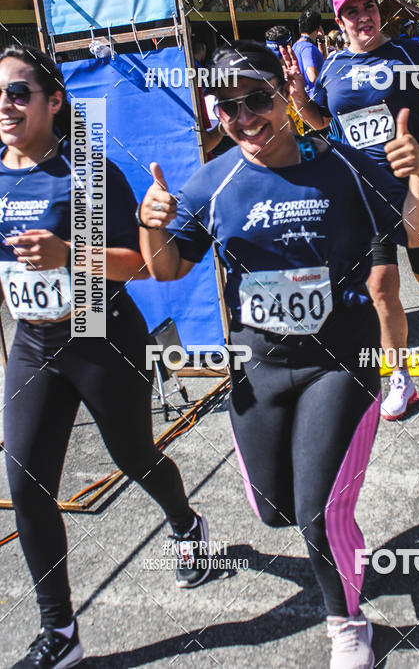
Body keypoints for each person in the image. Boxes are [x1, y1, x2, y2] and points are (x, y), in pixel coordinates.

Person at [138, 40, 419, 669]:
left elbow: (418, 231)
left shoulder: (345, 166)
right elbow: (165, 267)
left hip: (342, 360)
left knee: (316, 510)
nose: (246, 118)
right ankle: (324, 534)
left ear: (286, 94)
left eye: (257, 100)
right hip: (259, 367)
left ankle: (348, 626)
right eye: (229, 107)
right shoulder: (215, 180)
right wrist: (150, 220)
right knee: (274, 510)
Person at [0, 46, 211, 669]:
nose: (5, 106)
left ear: (53, 100)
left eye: (18, 92)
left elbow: (139, 264)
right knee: (26, 482)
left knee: (134, 456)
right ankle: (59, 632)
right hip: (34, 341)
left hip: (100, 328)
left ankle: (186, 523)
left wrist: (68, 251)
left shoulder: (84, 175)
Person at [286, 0, 419, 421]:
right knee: (380, 287)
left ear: (379, 11)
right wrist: (298, 99)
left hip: (414, 189)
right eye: (351, 12)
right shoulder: (332, 67)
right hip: (362, 198)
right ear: (339, 22)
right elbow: (319, 121)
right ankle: (401, 380)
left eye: (368, 7)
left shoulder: (412, 54)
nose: (363, 17)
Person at [293, 8, 325, 96]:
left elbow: (320, 62)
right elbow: (313, 76)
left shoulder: (296, 46)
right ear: (318, 28)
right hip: (315, 99)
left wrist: (321, 40)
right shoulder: (308, 48)